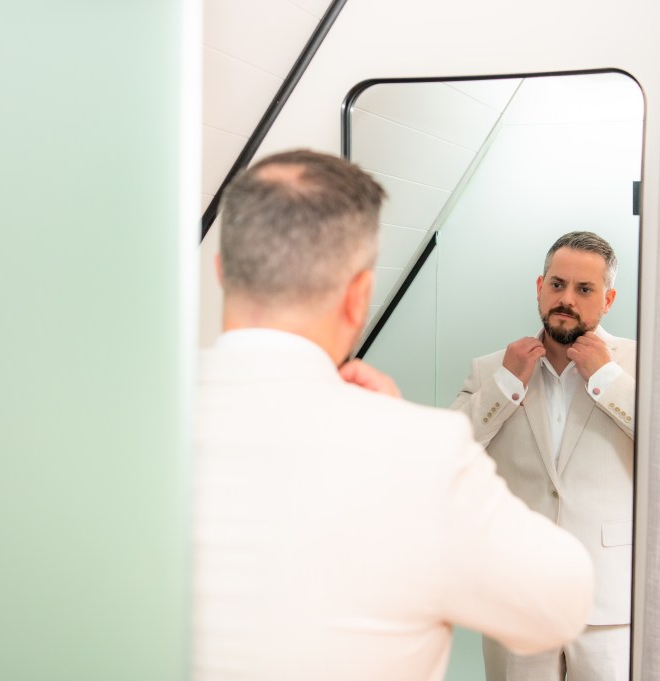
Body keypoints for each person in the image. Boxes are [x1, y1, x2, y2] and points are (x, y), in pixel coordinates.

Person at [193, 150, 594, 681]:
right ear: (359, 297)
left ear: (222, 272)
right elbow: (560, 604)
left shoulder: (113, 419)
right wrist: (400, 429)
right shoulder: (424, 451)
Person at [451, 231, 636, 681]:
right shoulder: (492, 369)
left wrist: (607, 379)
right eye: (557, 285)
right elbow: (448, 454)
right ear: (539, 287)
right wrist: (506, 385)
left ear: (607, 299)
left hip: (609, 598)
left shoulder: (638, 363)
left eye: (584, 289)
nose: (566, 299)